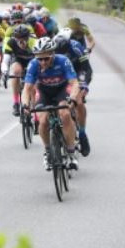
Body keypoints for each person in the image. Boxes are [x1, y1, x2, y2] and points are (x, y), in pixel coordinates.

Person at [21, 37, 80, 171]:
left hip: (61, 90)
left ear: (53, 54)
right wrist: (25, 104)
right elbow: (27, 88)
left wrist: (73, 98)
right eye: (39, 59)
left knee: (65, 114)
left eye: (46, 58)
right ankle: (48, 151)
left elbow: (74, 83)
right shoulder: (33, 64)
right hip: (44, 92)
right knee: (43, 121)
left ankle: (71, 152)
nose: (42, 62)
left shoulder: (63, 61)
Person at [53, 28, 93, 156]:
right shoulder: (52, 48)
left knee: (79, 102)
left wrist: (83, 85)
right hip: (62, 75)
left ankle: (82, 133)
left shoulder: (77, 48)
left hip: (78, 73)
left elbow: (87, 69)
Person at [2, 25, 37, 116]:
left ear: (28, 37)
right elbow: (5, 61)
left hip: (32, 61)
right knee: (16, 71)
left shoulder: (34, 42)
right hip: (18, 60)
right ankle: (16, 102)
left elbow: (39, 62)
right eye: (18, 38)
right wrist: (5, 71)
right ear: (15, 37)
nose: (21, 41)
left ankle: (36, 112)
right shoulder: (11, 42)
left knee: (33, 88)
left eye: (24, 38)